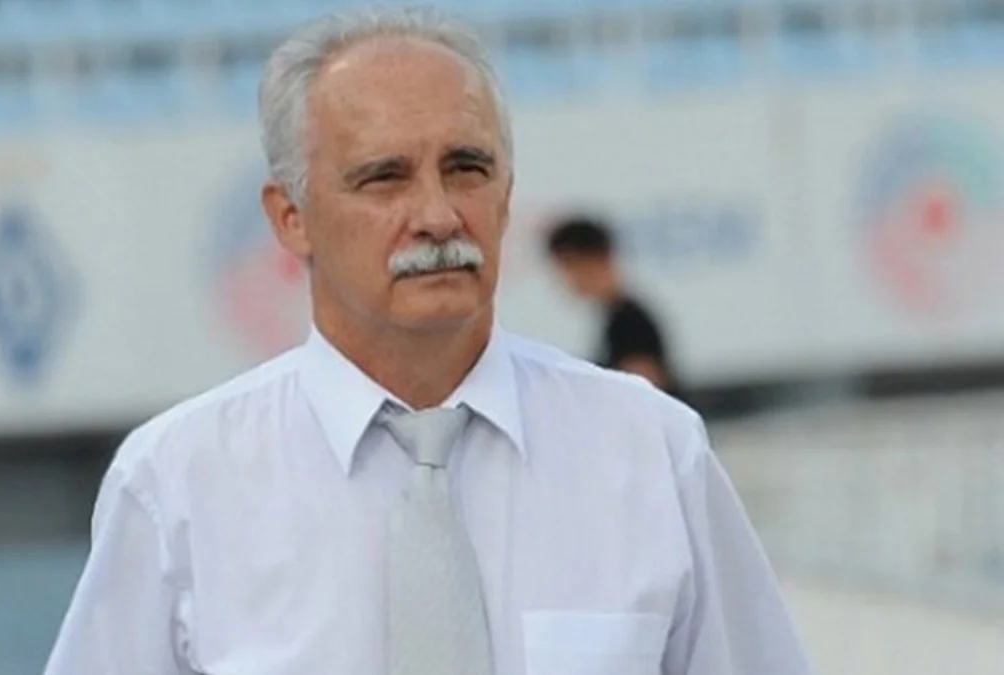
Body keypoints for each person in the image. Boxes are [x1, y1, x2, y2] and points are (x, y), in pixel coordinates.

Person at [44, 7, 811, 675]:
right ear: (290, 217)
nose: (439, 215)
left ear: (506, 197)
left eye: (467, 168)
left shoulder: (654, 452)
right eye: (385, 178)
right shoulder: (175, 485)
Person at [547, 215, 681, 398]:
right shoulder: (618, 317)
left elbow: (644, 392)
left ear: (596, 260)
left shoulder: (630, 322)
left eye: (569, 267)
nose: (567, 279)